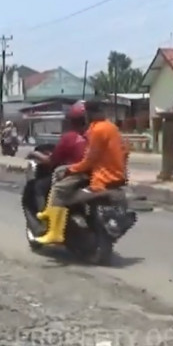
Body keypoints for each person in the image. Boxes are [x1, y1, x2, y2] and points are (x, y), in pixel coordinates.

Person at [34, 103, 128, 245]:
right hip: (117, 177)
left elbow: (89, 160)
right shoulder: (112, 127)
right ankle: (51, 213)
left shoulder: (96, 130)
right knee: (62, 172)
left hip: (101, 179)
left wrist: (71, 170)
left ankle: (54, 231)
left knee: (59, 190)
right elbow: (125, 151)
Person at [32, 101, 90, 223]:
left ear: (71, 121)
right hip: (94, 174)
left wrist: (34, 154)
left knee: (40, 186)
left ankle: (46, 220)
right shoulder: (95, 134)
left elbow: (52, 161)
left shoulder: (69, 137)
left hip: (77, 174)